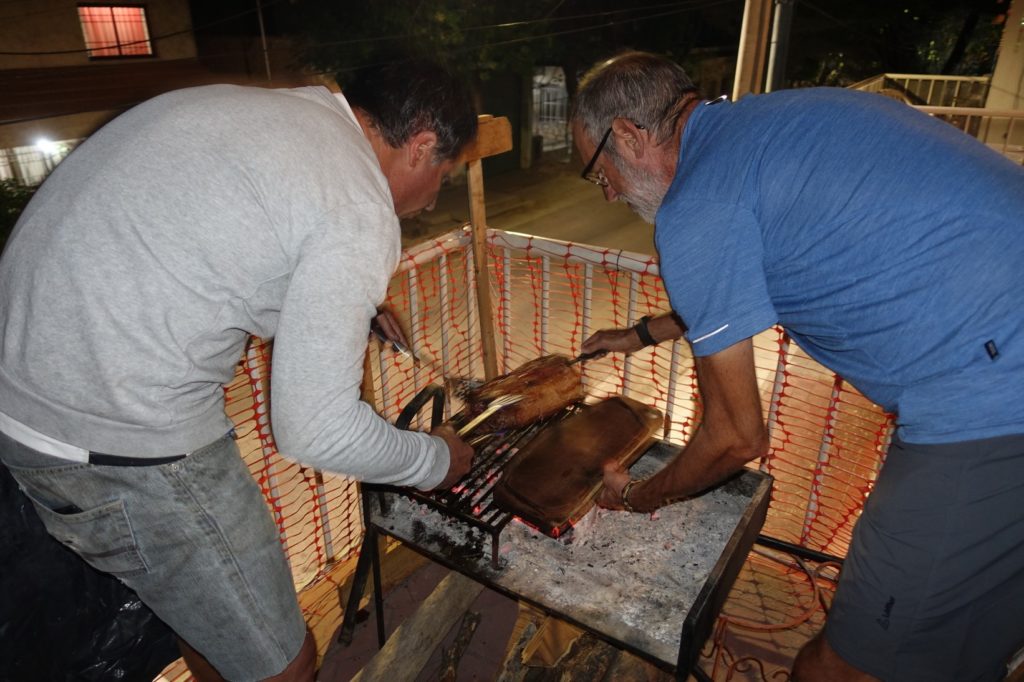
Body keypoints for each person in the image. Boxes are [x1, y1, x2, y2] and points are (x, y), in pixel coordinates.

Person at [0, 60, 476, 681]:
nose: (434, 198)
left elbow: (222, 246)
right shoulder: (358, 203)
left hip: (21, 407)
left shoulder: (276, 116)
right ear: (421, 146)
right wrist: (435, 461)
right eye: (444, 176)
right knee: (284, 663)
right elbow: (315, 431)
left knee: (213, 618)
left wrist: (348, 312)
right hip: (122, 440)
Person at [573, 51, 1024, 682]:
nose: (609, 192)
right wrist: (640, 335)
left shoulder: (696, 205)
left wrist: (637, 497)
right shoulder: (770, 124)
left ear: (628, 135)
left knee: (835, 667)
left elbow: (736, 438)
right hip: (1001, 358)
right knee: (967, 649)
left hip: (992, 399)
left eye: (599, 173)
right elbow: (749, 279)